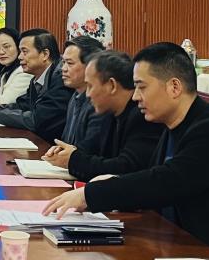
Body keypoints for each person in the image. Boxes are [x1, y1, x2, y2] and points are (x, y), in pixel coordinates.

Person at [43, 42, 209, 254]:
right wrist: (113, 180)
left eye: (142, 87)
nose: (135, 96)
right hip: (172, 243)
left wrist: (90, 195)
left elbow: (165, 182)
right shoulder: (171, 124)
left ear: (174, 87)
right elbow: (149, 176)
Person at [43, 49, 162, 181]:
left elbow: (126, 168)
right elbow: (90, 150)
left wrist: (73, 160)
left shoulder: (143, 115)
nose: (87, 94)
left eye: (90, 86)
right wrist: (66, 152)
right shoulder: (109, 112)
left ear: (112, 85)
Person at [0, 29, 73, 141]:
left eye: (24, 52)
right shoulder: (37, 77)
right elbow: (23, 104)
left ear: (45, 54)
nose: (20, 57)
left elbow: (36, 121)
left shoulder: (61, 79)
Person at [54, 36, 105, 148]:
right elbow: (66, 142)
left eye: (70, 63)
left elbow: (88, 150)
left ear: (90, 66)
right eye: (63, 62)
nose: (63, 68)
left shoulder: (98, 103)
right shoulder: (75, 96)